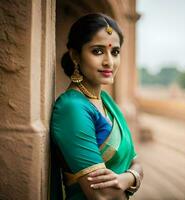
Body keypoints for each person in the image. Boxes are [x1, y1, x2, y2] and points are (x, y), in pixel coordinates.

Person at [50, 13, 143, 200]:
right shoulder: (72, 108)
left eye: (115, 52)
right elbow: (103, 194)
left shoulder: (105, 100)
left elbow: (136, 162)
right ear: (75, 55)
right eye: (98, 51)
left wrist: (128, 178)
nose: (109, 61)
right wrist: (135, 176)